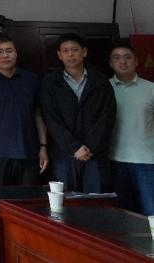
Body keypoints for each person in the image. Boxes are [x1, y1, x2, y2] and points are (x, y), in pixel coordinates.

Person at [40, 33, 116, 193]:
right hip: (64, 155)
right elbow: (51, 120)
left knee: (96, 200)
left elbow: (107, 117)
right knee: (65, 202)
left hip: (94, 154)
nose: (70, 54)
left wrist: (89, 147)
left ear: (84, 52)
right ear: (59, 55)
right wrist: (74, 147)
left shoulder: (101, 81)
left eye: (74, 50)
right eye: (65, 51)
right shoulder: (50, 83)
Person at [0, 32, 48, 185]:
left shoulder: (32, 80)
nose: (5, 55)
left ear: (16, 53)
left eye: (9, 51)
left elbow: (38, 115)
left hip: (29, 152)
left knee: (29, 197)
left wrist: (43, 147)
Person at [108, 39, 154, 215]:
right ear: (110, 63)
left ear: (136, 61)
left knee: (151, 211)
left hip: (147, 161)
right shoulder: (103, 88)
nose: (122, 61)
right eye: (117, 57)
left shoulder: (151, 88)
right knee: (121, 214)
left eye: (127, 57)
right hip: (114, 159)